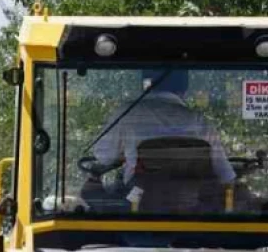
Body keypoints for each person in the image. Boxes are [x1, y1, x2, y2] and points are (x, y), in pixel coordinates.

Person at [88, 69, 236, 194]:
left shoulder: (128, 113)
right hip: (190, 203)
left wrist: (124, 154)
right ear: (184, 87)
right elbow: (224, 174)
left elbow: (103, 156)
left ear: (146, 83)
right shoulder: (198, 121)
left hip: (139, 198)